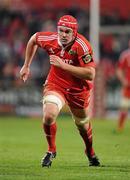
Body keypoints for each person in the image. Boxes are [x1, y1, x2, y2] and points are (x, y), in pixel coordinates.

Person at [20, 15, 100, 167]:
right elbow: (33, 39)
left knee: (82, 124)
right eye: (60, 31)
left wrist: (63, 65)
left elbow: (91, 74)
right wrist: (26, 65)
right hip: (56, 84)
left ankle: (89, 151)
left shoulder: (82, 46)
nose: (63, 35)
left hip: (78, 89)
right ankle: (51, 150)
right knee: (49, 114)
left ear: (74, 33)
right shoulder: (50, 39)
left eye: (67, 32)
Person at [116, 40, 130, 132]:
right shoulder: (125, 55)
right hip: (128, 86)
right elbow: (119, 70)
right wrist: (123, 80)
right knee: (124, 106)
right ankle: (120, 127)